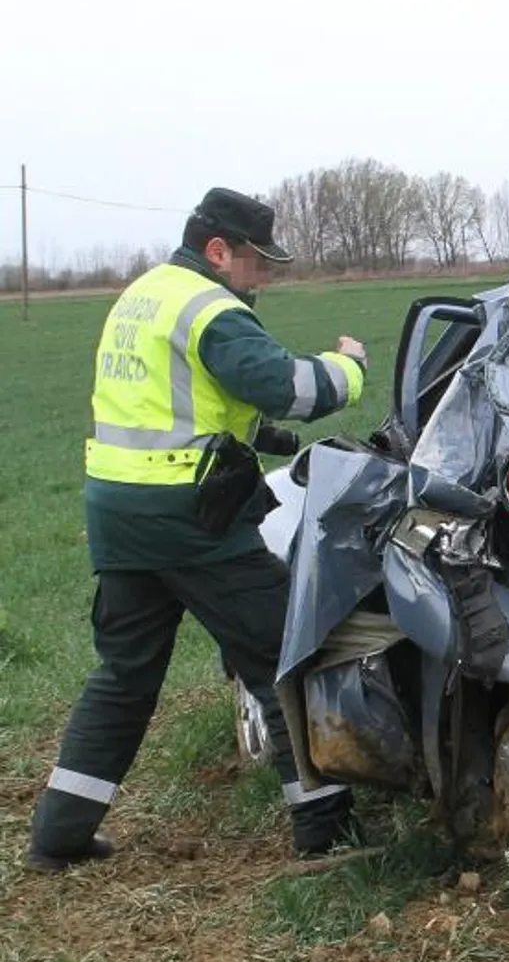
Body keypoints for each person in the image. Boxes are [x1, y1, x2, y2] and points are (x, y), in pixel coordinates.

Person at [26, 188, 369, 874]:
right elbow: (287, 385)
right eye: (258, 261)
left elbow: (171, 399)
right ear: (220, 251)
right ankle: (325, 831)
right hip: (191, 518)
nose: (264, 276)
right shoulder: (210, 306)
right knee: (284, 654)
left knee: (124, 674)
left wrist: (256, 438)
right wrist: (350, 367)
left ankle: (58, 835)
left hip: (119, 513)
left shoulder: (144, 294)